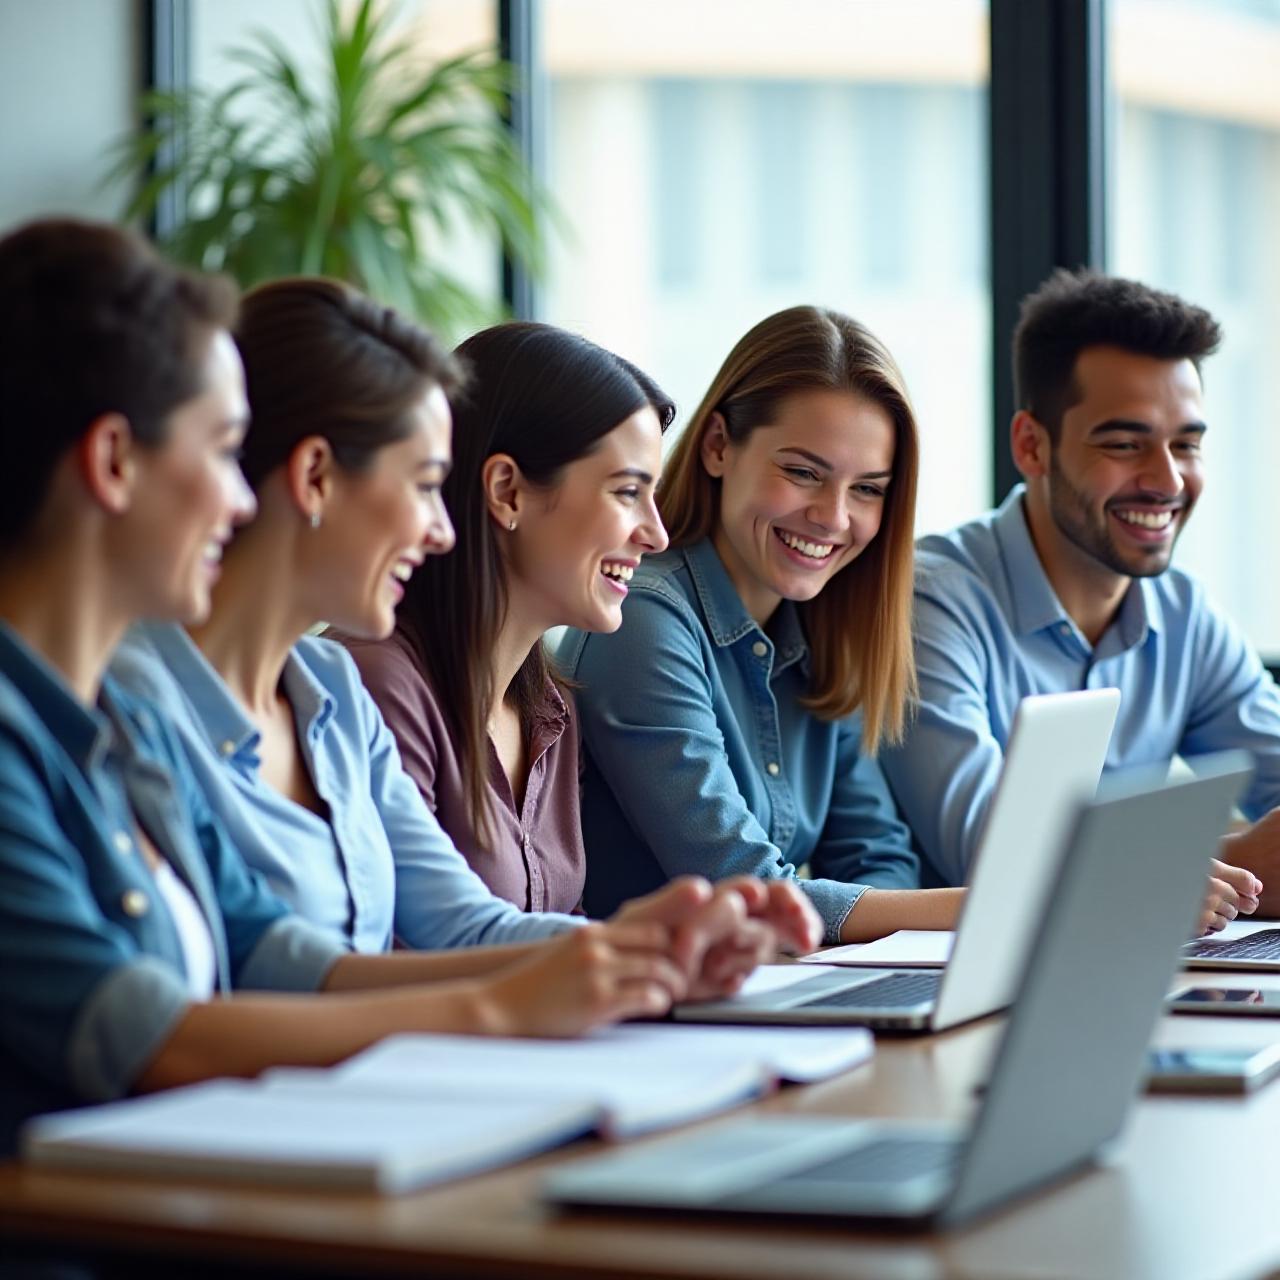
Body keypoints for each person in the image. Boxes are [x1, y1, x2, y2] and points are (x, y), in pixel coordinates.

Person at [0, 221, 806, 1153]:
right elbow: (146, 1035)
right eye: (224, 452)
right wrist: (502, 1009)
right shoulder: (102, 719)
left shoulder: (116, 718)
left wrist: (626, 957)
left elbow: (277, 952)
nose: (239, 494)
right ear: (111, 463)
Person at [108, 279, 816, 965]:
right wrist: (609, 963)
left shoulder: (335, 690)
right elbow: (249, 994)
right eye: (423, 485)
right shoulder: (152, 705)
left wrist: (650, 948)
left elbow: (460, 927)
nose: (442, 527)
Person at [879, 268, 1276, 932]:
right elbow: (992, 850)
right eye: (1125, 445)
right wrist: (1209, 862)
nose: (1167, 480)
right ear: (1032, 446)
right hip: (958, 997)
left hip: (1123, 977)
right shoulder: (930, 601)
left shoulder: (1183, 615)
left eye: (1187, 444)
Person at [558, 305, 966, 944]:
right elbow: (746, 889)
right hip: (650, 1017)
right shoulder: (641, 617)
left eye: (867, 489)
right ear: (719, 446)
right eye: (803, 473)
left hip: (765, 994)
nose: (833, 518)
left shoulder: (825, 626)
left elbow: (878, 857)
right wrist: (985, 908)